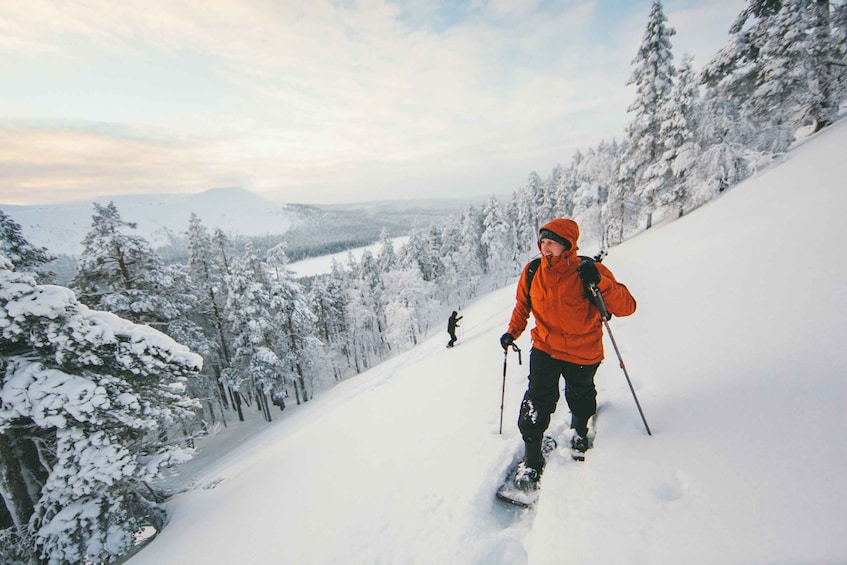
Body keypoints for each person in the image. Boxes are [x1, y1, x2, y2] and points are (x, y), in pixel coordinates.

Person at [500, 218, 636, 488]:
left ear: (568, 245)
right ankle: (532, 459)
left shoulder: (589, 270)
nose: (545, 248)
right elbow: (522, 306)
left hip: (583, 350)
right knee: (536, 401)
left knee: (581, 394)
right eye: (543, 242)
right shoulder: (532, 271)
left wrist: (600, 283)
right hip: (545, 348)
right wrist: (512, 332)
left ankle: (580, 431)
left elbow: (627, 306)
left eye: (552, 243)